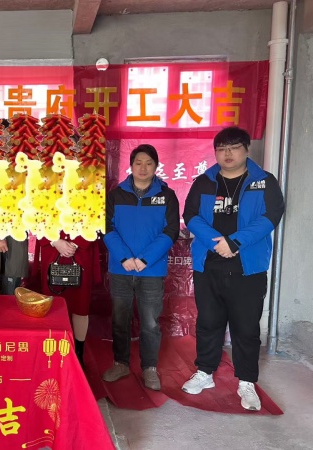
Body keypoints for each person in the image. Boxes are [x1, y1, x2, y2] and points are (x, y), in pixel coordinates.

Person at [181, 127, 284, 411]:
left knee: (246, 327)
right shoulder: (204, 181)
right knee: (208, 322)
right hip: (209, 264)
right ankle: (205, 372)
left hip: (247, 267)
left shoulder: (264, 182)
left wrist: (236, 242)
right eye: (221, 149)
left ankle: (246, 381)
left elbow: (271, 216)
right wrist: (217, 242)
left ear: (246, 149)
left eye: (234, 147)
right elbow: (191, 215)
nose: (227, 154)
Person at [102, 144, 180, 390]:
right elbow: (106, 228)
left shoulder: (166, 196)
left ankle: (149, 368)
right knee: (120, 319)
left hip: (151, 270)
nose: (143, 168)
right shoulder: (116, 195)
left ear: (156, 166)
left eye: (148, 163)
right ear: (131, 166)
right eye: (138, 163)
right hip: (121, 268)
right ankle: (121, 363)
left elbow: (171, 231)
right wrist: (124, 257)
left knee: (150, 323)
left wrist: (145, 259)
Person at [38, 234, 100, 367]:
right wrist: (55, 241)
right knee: (52, 305)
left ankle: (78, 354)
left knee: (80, 305)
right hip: (52, 249)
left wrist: (75, 244)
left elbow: (96, 222)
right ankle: (52, 351)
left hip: (80, 251)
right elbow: (35, 222)